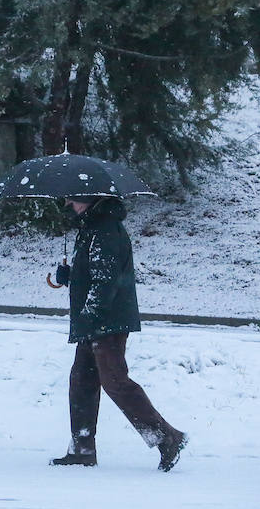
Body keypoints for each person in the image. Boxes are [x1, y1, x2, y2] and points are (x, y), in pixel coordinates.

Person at [51, 195, 187, 471]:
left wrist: (90, 313)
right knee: (82, 381)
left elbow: (106, 279)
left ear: (89, 199)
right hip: (96, 320)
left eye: (74, 200)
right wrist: (71, 274)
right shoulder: (92, 227)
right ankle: (82, 447)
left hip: (107, 320)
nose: (69, 205)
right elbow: (93, 273)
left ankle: (167, 437)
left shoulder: (105, 229)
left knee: (115, 382)